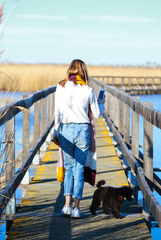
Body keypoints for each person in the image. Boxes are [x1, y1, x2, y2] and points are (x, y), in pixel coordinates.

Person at [53, 59, 105, 218]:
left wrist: (56, 132)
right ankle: (76, 208)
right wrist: (101, 103)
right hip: (83, 131)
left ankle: (67, 206)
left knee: (69, 169)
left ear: (70, 70)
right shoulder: (88, 90)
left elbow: (57, 113)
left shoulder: (60, 87)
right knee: (79, 169)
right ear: (83, 72)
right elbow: (97, 114)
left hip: (66, 129)